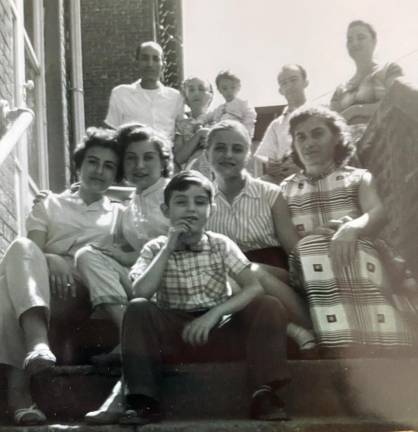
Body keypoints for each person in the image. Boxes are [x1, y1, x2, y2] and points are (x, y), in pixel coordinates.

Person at [121, 170, 291, 424]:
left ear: (210, 210)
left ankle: (264, 392)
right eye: (181, 202)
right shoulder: (155, 248)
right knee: (137, 308)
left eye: (200, 202)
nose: (191, 210)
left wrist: (215, 314)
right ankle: (143, 400)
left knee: (268, 305)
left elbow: (253, 287)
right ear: (166, 210)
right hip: (174, 335)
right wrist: (168, 248)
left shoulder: (220, 244)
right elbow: (140, 292)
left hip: (218, 329)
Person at [0, 127, 123, 425]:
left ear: (116, 175)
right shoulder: (49, 204)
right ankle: (38, 345)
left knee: (6, 290)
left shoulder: (121, 214)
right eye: (93, 162)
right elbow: (30, 252)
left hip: (85, 295)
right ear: (79, 166)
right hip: (43, 288)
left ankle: (19, 394)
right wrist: (53, 258)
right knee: (18, 250)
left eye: (109, 166)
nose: (99, 171)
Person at [281, 105, 416, 352]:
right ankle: (338, 345)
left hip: (356, 256)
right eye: (301, 137)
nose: (308, 142)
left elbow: (377, 213)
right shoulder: (286, 189)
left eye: (317, 133)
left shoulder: (357, 177)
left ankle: (383, 342)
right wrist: (314, 238)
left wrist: (351, 228)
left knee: (357, 248)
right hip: (309, 269)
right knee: (313, 249)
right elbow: (288, 241)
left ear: (336, 138)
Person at [205, 120, 314, 349]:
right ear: (207, 153)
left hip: (273, 272)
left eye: (237, 149)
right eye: (220, 148)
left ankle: (311, 325)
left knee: (247, 271)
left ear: (248, 154)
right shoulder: (201, 201)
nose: (228, 155)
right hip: (227, 282)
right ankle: (290, 329)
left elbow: (294, 250)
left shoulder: (270, 194)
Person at [75, 124, 172, 365]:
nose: (139, 166)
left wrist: (129, 256)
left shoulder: (176, 192)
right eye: (131, 159)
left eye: (148, 158)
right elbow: (119, 193)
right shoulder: (131, 205)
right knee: (87, 255)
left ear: (163, 162)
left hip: (177, 279)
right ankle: (128, 336)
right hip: (143, 283)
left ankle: (136, 340)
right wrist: (78, 188)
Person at [104, 41, 184, 142]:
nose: (150, 64)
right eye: (145, 58)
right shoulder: (120, 94)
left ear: (163, 65)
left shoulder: (176, 97)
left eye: (156, 59)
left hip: (166, 156)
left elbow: (181, 136)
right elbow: (112, 134)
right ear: (137, 62)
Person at [330, 20, 403, 126]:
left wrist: (357, 110)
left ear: (374, 41)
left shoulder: (389, 70)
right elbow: (331, 125)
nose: (354, 43)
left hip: (391, 139)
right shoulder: (340, 90)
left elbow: (400, 101)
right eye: (350, 40)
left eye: (361, 37)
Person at [254, 64, 308, 184]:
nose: (289, 86)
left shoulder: (320, 114)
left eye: (294, 80)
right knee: (257, 186)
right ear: (280, 90)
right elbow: (267, 155)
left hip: (313, 175)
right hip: (284, 180)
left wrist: (303, 164)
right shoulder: (277, 124)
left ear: (305, 82)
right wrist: (271, 165)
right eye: (284, 83)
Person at [173, 77, 213, 178]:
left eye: (201, 89)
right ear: (186, 99)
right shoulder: (181, 125)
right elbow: (178, 159)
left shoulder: (219, 121)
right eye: (191, 90)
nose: (196, 93)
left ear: (210, 96)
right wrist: (198, 135)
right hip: (191, 178)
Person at [207, 70, 257, 138]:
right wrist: (199, 121)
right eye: (224, 88)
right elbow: (208, 116)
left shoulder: (242, 103)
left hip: (237, 134)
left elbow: (250, 116)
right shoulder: (220, 108)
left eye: (233, 87)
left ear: (238, 87)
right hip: (221, 135)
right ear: (219, 90)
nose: (229, 91)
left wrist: (245, 133)